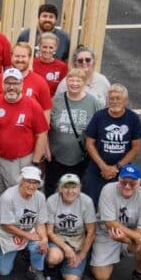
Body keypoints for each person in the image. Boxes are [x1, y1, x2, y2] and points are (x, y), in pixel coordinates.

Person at [0, 68, 49, 204]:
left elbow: (41, 135)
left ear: (22, 84)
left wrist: (35, 163)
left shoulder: (33, 105)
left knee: (19, 199)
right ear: (2, 84)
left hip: (22, 161)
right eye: (8, 83)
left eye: (15, 83)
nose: (11, 87)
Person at [91, 165, 141, 280]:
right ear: (118, 180)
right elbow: (110, 223)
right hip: (106, 233)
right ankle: (107, 253)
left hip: (129, 237)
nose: (127, 186)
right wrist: (137, 238)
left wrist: (126, 240)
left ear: (139, 182)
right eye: (124, 182)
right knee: (101, 276)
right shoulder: (108, 190)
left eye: (132, 183)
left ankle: (137, 274)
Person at [0, 166, 51, 280]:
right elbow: (6, 225)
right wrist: (28, 236)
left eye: (35, 182)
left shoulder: (40, 197)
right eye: (28, 181)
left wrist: (44, 238)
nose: (32, 186)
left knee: (40, 243)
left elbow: (40, 222)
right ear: (21, 181)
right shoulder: (8, 197)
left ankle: (35, 269)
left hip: (27, 229)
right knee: (3, 271)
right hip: (6, 232)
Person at [84, 84, 141, 207]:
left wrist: (116, 167)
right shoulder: (99, 116)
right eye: (111, 98)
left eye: (118, 98)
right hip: (97, 169)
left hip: (123, 171)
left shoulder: (133, 118)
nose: (114, 101)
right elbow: (89, 143)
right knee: (90, 204)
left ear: (125, 100)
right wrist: (103, 167)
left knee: (120, 205)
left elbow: (136, 148)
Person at [46, 67, 98, 196]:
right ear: (66, 82)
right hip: (56, 158)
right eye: (71, 80)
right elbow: (45, 127)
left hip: (81, 158)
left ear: (84, 83)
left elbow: (99, 129)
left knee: (76, 192)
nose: (74, 83)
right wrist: (46, 148)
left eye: (78, 81)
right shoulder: (56, 101)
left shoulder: (93, 102)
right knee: (52, 191)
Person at [44, 173, 96, 280]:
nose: (70, 191)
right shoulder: (52, 200)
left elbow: (91, 232)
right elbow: (49, 231)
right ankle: (55, 264)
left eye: (74, 187)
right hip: (58, 240)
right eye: (66, 187)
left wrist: (81, 255)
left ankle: (66, 265)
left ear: (79, 189)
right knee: (53, 258)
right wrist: (66, 248)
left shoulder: (86, 201)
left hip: (77, 244)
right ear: (60, 189)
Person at [0, 43, 53, 120]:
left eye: (23, 56)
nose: (20, 60)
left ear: (29, 58)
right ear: (11, 57)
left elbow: (46, 112)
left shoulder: (40, 83)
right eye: (17, 56)